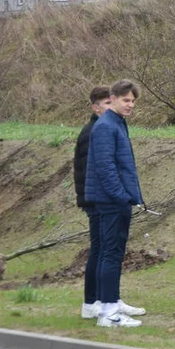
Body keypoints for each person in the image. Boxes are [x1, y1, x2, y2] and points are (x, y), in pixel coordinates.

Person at [85, 79, 147, 328]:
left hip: (116, 199)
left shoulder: (116, 123)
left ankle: (110, 302)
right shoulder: (105, 127)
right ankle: (108, 312)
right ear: (113, 99)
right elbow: (105, 168)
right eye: (126, 100)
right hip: (111, 201)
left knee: (112, 253)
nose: (130, 105)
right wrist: (121, 196)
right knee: (110, 253)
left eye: (133, 101)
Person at [74, 85, 111, 320]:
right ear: (95, 107)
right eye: (107, 103)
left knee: (107, 250)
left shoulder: (104, 129)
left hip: (102, 200)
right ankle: (91, 302)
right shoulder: (92, 132)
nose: (112, 107)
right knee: (99, 250)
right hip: (95, 201)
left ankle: (108, 298)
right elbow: (91, 171)